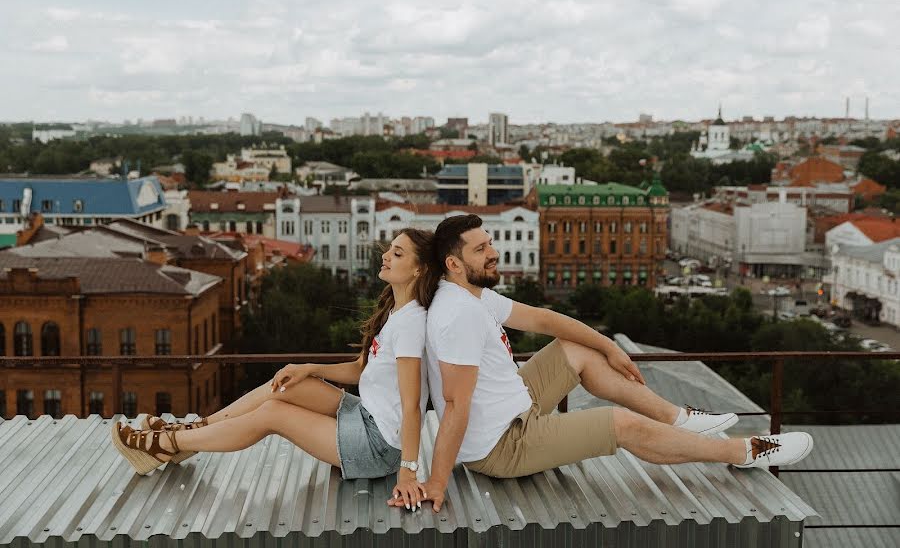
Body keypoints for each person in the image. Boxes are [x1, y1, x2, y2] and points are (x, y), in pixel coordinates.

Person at [397, 215, 813, 513]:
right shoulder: (458, 316)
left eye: (490, 243)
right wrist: (435, 481)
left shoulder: (468, 294)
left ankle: (678, 417)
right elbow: (454, 405)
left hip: (514, 404)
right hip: (502, 444)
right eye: (482, 248)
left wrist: (610, 347)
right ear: (454, 264)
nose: (494, 252)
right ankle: (743, 451)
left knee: (578, 349)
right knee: (621, 425)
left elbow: (544, 319)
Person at [111, 229, 440, 511]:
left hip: (377, 446)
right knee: (285, 385)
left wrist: (408, 472)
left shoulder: (411, 325)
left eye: (397, 253)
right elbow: (360, 371)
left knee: (272, 414)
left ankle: (167, 443)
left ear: (418, 270)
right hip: (365, 416)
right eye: (389, 249)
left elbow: (412, 407)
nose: (385, 255)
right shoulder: (397, 311)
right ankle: (191, 433)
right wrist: (307, 368)